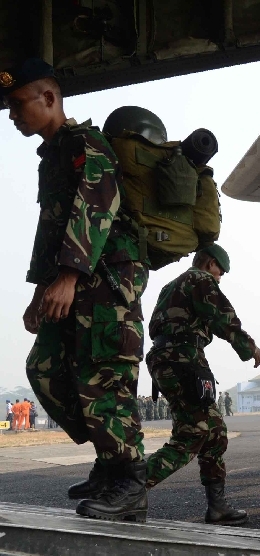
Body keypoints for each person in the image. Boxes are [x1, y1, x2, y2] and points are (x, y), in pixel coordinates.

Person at [4, 58, 148, 520]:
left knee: (102, 378)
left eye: (17, 103)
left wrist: (67, 276)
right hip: (69, 287)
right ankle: (109, 463)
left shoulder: (87, 144)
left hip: (103, 288)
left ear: (49, 97)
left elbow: (98, 205)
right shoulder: (54, 156)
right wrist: (37, 292)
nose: (11, 115)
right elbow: (50, 230)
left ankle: (128, 479)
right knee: (45, 368)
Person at [144, 244, 260, 526]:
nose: (220, 278)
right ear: (210, 264)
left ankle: (217, 507)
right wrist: (249, 347)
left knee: (215, 432)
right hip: (183, 359)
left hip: (170, 358)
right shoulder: (200, 280)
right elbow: (223, 317)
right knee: (192, 434)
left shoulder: (172, 285)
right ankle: (129, 487)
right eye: (220, 272)